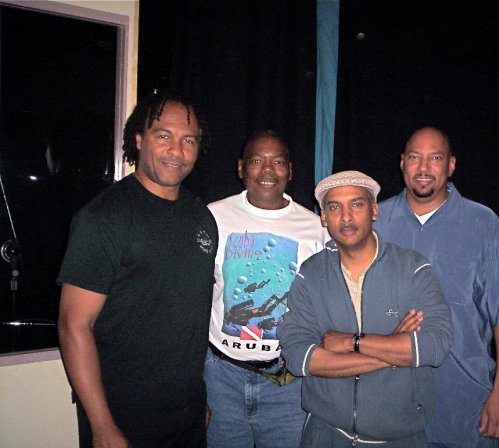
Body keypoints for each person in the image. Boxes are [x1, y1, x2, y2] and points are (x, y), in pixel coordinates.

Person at [56, 90, 218, 448]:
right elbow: (73, 325)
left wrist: (199, 399)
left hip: (187, 413)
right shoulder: (104, 218)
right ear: (139, 140)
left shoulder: (201, 218)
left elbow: (190, 318)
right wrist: (102, 425)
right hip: (121, 415)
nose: (177, 150)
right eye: (164, 136)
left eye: (189, 140)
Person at [374, 126, 499, 447]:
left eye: (435, 158)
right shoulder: (376, 222)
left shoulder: (484, 224)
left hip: (464, 402)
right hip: (387, 401)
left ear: (451, 165)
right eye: (415, 157)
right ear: (402, 163)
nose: (423, 167)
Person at [278, 170, 453, 448]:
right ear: (323, 218)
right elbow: (300, 358)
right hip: (326, 434)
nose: (346, 217)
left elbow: (435, 345)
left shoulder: (412, 269)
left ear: (374, 211)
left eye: (357, 204)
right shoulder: (310, 274)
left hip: (399, 438)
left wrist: (352, 342)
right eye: (334, 207)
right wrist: (392, 350)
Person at [204, 130, 329, 448]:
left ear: (290, 170)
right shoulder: (212, 217)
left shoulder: (316, 229)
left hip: (287, 384)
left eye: (278, 162)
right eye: (257, 161)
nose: (268, 170)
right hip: (222, 378)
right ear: (241, 168)